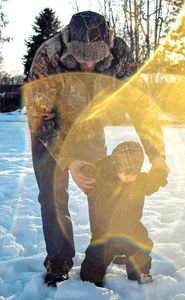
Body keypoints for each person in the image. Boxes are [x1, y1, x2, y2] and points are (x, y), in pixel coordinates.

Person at [25, 10, 169, 287]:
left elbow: (142, 108)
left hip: (90, 126)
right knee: (53, 193)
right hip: (50, 130)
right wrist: (70, 160)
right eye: (82, 57)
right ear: (69, 45)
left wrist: (157, 155)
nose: (89, 64)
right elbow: (38, 118)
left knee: (105, 186)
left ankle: (108, 243)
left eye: (96, 57)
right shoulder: (49, 55)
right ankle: (59, 259)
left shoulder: (120, 52)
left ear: (108, 44)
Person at [80, 141, 168, 287]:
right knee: (96, 256)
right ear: (115, 166)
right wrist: (88, 171)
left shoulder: (140, 180)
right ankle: (92, 278)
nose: (128, 177)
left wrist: (159, 173)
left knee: (141, 248)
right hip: (105, 230)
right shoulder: (103, 179)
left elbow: (153, 182)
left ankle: (140, 273)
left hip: (132, 228)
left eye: (133, 172)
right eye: (124, 172)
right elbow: (90, 184)